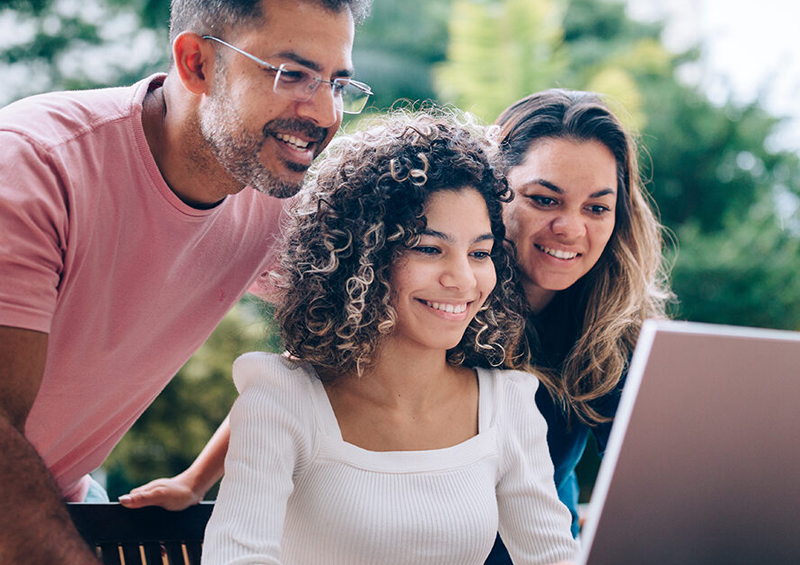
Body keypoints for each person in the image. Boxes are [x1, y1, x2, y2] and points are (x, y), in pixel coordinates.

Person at [0, 0, 372, 562]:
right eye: (291, 74)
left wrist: (199, 478)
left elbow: (348, 344)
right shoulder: (35, 164)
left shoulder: (272, 197)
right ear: (197, 63)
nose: (323, 112)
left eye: (337, 84)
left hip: (64, 497)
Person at [201, 111, 579, 565]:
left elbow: (553, 558)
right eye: (428, 248)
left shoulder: (509, 404)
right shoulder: (282, 398)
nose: (463, 279)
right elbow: (236, 557)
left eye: (480, 253)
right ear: (362, 257)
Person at [484, 89, 672, 563]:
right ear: (490, 191)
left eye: (596, 208)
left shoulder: (615, 327)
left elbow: (660, 491)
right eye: (545, 199)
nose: (571, 228)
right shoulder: (436, 307)